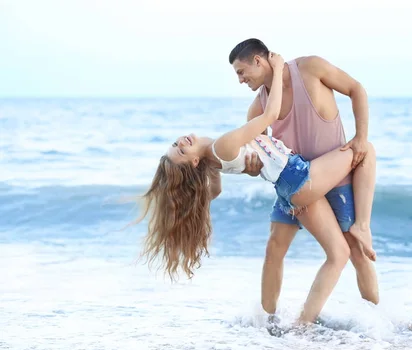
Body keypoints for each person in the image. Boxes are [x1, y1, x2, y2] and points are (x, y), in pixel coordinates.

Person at [135, 52, 376, 324]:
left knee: (278, 251)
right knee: (365, 150)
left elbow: (216, 191)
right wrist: (277, 65)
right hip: (297, 177)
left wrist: (249, 168)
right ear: (192, 161)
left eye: (175, 143)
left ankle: (267, 320)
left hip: (286, 185)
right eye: (181, 150)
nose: (181, 141)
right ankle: (306, 322)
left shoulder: (212, 162)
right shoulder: (222, 146)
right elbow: (271, 114)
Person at [229, 39, 379, 323]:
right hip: (299, 184)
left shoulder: (310, 67)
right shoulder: (259, 106)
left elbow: (356, 90)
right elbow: (260, 156)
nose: (240, 80)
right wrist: (251, 168)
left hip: (337, 179)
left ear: (259, 61)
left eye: (241, 71)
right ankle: (267, 322)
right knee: (274, 247)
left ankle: (376, 324)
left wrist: (360, 137)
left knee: (357, 254)